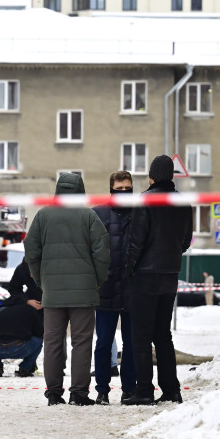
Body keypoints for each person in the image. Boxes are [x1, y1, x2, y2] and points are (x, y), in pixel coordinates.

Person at [24, 172, 110, 406]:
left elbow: (30, 249)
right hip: (84, 292)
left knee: (52, 342)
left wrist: (42, 281)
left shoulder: (43, 216)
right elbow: (102, 252)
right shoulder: (89, 216)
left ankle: (53, 393)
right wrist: (96, 280)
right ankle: (79, 394)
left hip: (52, 292)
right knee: (81, 342)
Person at [123, 155, 194, 405]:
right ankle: (171, 390)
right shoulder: (184, 204)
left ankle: (144, 391)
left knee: (141, 336)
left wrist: (128, 270)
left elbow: (136, 242)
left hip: (144, 276)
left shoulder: (145, 201)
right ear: (172, 177)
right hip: (170, 276)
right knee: (163, 335)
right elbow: (186, 241)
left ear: (151, 177)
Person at [91, 170, 137, 405]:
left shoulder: (140, 213)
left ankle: (129, 388)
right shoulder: (98, 213)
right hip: (106, 287)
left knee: (131, 343)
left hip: (132, 288)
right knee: (103, 342)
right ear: (111, 190)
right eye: (118, 189)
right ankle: (101, 390)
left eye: (127, 188)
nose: (123, 193)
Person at [0, 292, 43, 378]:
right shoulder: (29, 310)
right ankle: (24, 368)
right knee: (39, 341)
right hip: (19, 348)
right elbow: (39, 332)